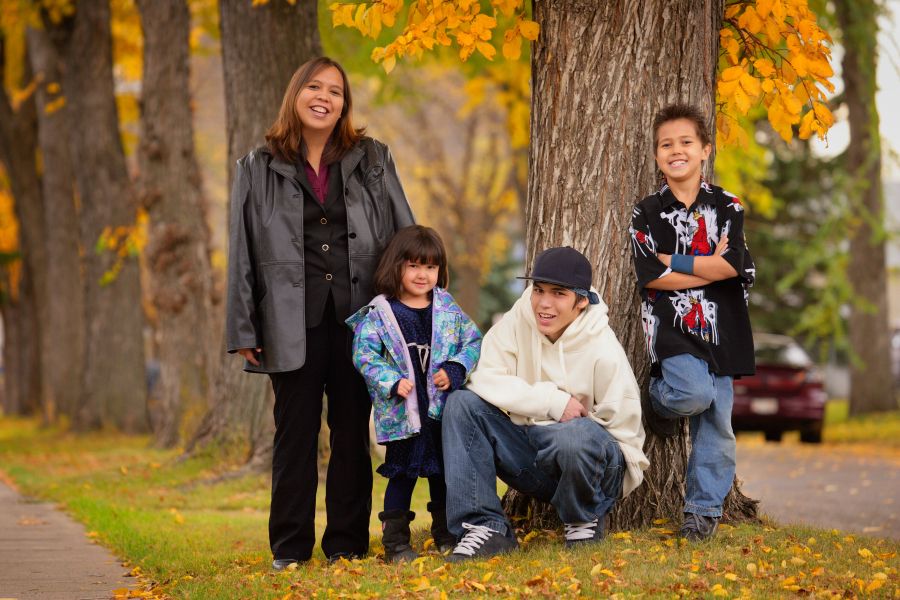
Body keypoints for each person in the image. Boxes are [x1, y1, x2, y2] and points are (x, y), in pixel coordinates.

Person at [225, 57, 415, 570]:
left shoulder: (372, 158)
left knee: (352, 432)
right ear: (296, 94)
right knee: (294, 434)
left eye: (335, 91)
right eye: (314, 86)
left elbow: (404, 233)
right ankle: (289, 548)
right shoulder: (256, 166)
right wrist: (243, 326)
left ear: (343, 104)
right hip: (288, 323)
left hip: (361, 321)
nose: (324, 97)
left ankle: (346, 545)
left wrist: (410, 309)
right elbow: (242, 250)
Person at [441, 247, 649, 561]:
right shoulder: (519, 318)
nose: (544, 303)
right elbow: (481, 375)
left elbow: (626, 438)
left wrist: (578, 430)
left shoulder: (603, 348)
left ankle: (583, 518)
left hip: (595, 469)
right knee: (462, 404)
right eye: (538, 290)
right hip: (536, 458)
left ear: (581, 301)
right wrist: (552, 402)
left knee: (574, 435)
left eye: (558, 293)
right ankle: (485, 529)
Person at [629, 103, 756, 541]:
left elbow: (733, 265)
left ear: (705, 149)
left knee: (718, 420)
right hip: (673, 326)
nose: (676, 150)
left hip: (724, 326)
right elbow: (651, 275)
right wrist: (709, 267)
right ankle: (659, 401)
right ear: (656, 155)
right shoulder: (646, 212)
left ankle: (701, 512)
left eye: (686, 142)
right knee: (692, 394)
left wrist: (676, 260)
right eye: (666, 145)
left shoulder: (728, 205)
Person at [346, 225, 482, 562]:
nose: (423, 275)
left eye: (431, 267)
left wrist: (456, 369)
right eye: (414, 266)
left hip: (440, 411)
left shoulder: (447, 308)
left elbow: (472, 341)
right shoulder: (381, 313)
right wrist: (392, 380)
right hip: (402, 415)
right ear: (396, 266)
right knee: (402, 476)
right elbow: (364, 355)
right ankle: (396, 542)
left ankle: (447, 533)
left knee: (443, 475)